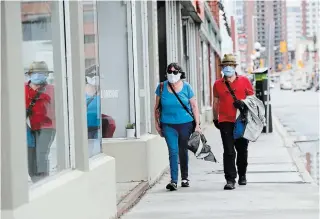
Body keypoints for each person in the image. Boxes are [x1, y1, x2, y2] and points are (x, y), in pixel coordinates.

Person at [154, 63, 201, 191]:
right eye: (170, 72)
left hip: (185, 123)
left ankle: (185, 178)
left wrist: (197, 124)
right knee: (173, 151)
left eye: (175, 72)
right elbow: (156, 108)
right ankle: (173, 180)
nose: (172, 74)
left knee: (182, 150)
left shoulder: (187, 87)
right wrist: (156, 124)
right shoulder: (162, 87)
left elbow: (194, 106)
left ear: (180, 74)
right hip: (168, 124)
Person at [212, 54, 254, 190]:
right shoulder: (217, 84)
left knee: (242, 150)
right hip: (225, 121)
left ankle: (242, 174)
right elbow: (216, 102)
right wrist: (215, 118)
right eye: (225, 66)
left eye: (230, 65)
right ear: (222, 68)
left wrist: (242, 103)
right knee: (228, 151)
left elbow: (252, 100)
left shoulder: (244, 81)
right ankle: (230, 179)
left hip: (241, 120)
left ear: (235, 67)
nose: (227, 68)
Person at [25, 61, 56, 178]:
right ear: (30, 74)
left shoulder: (52, 90)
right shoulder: (21, 89)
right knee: (30, 155)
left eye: (41, 73)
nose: (38, 75)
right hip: (28, 128)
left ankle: (43, 180)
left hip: (47, 127)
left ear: (46, 75)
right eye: (35, 73)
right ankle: (34, 179)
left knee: (41, 153)